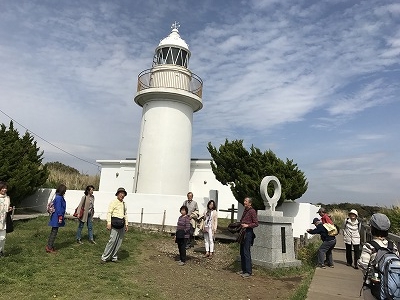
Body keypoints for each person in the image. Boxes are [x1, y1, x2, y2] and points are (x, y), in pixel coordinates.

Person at [358, 213, 398, 300]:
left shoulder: (369, 246)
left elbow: (363, 265)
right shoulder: (392, 245)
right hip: (392, 286)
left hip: (373, 285)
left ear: (372, 228)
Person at [101, 187, 128, 263]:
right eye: (121, 193)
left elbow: (125, 214)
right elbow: (109, 213)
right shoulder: (113, 202)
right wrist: (109, 223)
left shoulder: (124, 204)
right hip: (115, 223)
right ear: (118, 194)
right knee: (112, 240)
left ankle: (114, 257)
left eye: (123, 194)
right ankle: (104, 257)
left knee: (119, 241)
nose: (122, 195)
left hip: (122, 224)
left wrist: (126, 224)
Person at [238, 197, 258, 278]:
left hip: (248, 233)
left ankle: (248, 271)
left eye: (246, 201)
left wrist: (247, 225)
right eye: (244, 200)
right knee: (242, 251)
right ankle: (243, 269)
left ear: (250, 203)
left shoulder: (252, 211)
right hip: (243, 232)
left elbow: (256, 223)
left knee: (246, 251)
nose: (244, 202)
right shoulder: (245, 210)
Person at [46, 184, 67, 253]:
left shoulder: (58, 196)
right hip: (57, 217)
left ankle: (50, 245)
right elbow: (58, 208)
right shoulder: (59, 198)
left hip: (56, 216)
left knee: (53, 231)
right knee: (54, 232)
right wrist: (60, 216)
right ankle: (49, 247)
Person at [0, 181, 13, 257]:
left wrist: (9, 209)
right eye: (2, 188)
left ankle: (1, 251)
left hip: (4, 220)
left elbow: (7, 209)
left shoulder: (7, 198)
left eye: (5, 188)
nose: (4, 189)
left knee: (3, 238)